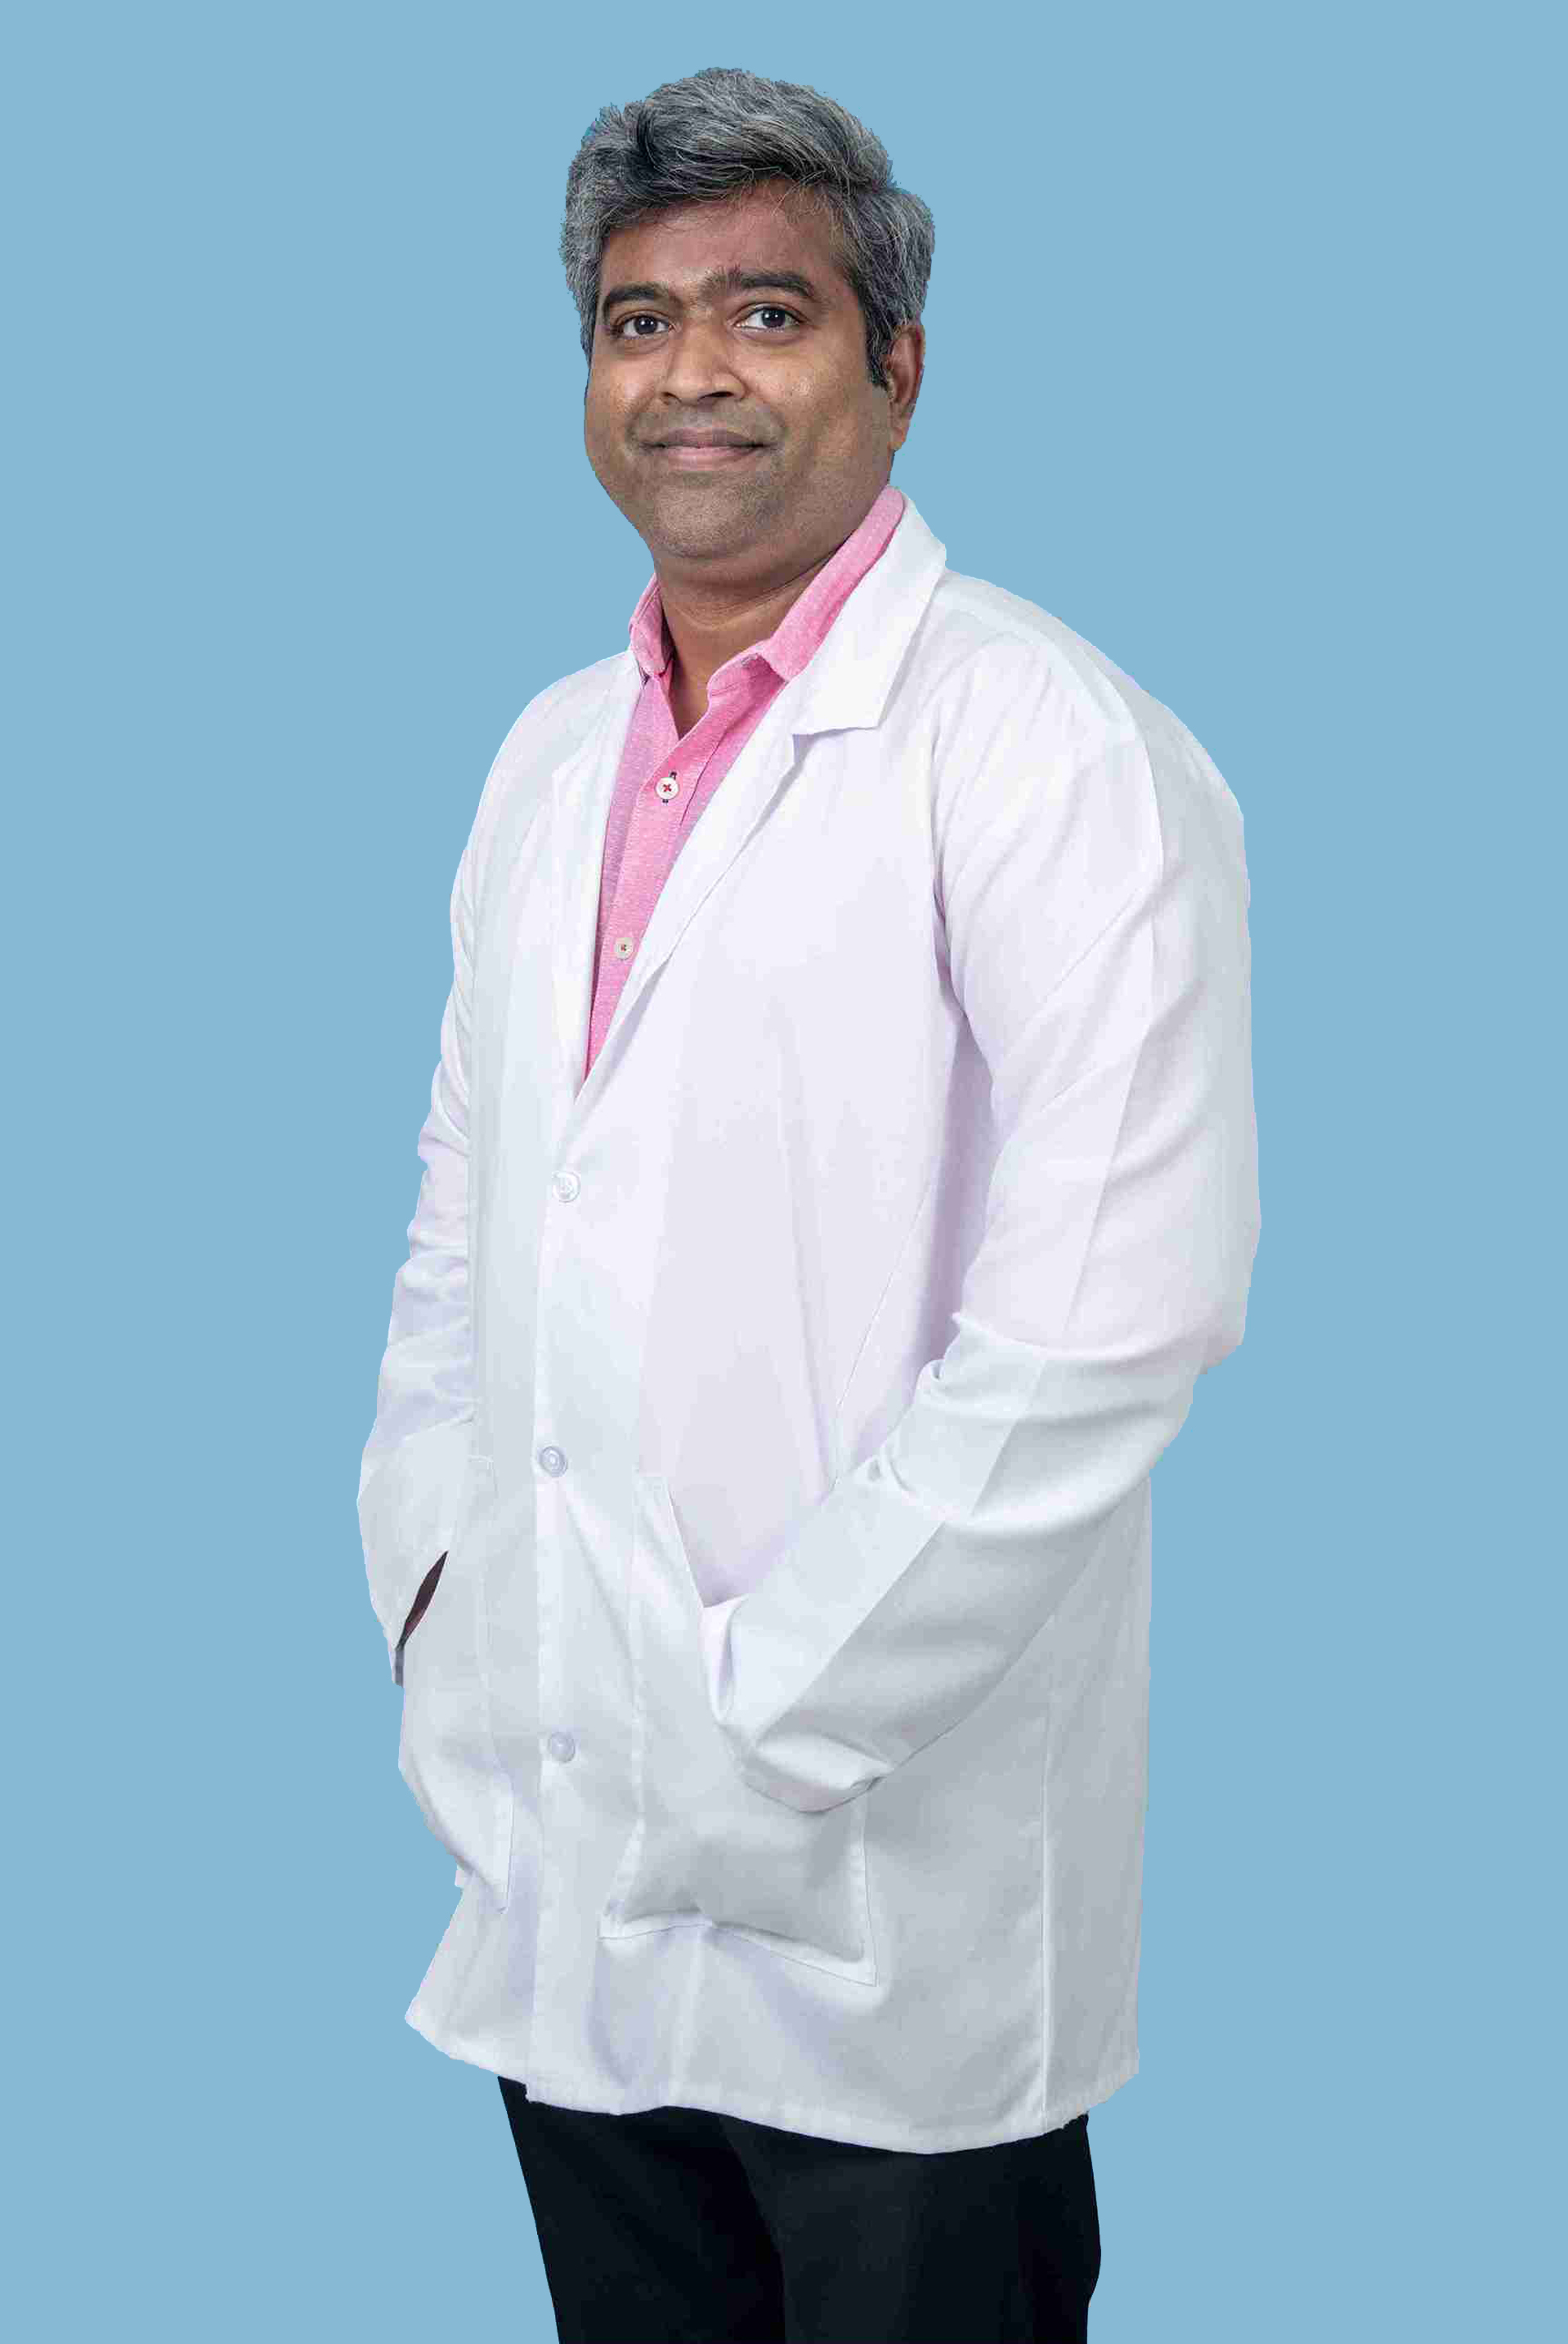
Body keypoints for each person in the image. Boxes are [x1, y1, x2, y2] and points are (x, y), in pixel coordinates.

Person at [358, 62, 1260, 2344]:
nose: (693, 373)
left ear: (898, 366)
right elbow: (464, 1239)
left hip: (889, 1909)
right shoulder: (548, 760)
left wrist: (761, 1723)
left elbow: (1109, 1319)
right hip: (560, 1863)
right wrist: (439, 1602)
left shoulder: (1049, 747)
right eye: (638, 320)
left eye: (769, 314)